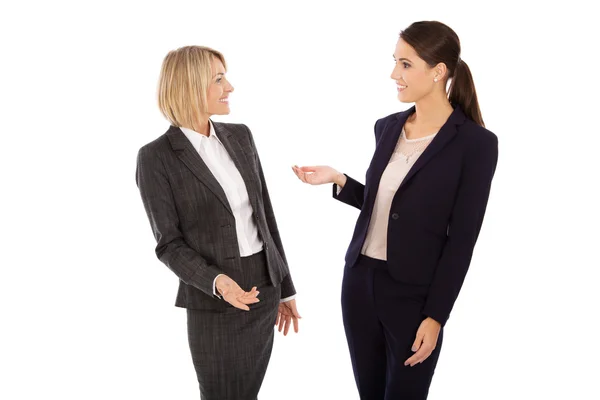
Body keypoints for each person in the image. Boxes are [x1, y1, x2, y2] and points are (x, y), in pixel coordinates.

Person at [292, 21, 498, 399]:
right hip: (359, 283)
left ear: (438, 72)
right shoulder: (387, 127)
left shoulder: (476, 144)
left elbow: (462, 240)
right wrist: (340, 180)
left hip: (414, 295)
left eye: (405, 64)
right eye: (395, 62)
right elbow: (386, 204)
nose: (393, 74)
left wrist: (436, 316)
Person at [136, 45, 300, 400]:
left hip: (264, 287)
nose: (230, 87)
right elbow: (169, 244)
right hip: (215, 299)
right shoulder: (156, 157)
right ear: (191, 85)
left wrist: (284, 286)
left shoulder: (240, 136)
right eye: (219, 79)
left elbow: (266, 217)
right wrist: (218, 282)